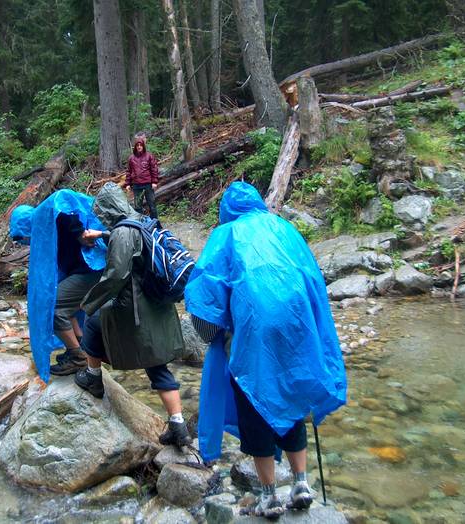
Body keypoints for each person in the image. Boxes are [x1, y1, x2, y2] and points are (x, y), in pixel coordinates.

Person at [184, 182, 347, 517]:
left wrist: (212, 334)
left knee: (255, 403)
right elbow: (311, 277)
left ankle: (269, 495)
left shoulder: (226, 234)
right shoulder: (283, 228)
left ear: (227, 210)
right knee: (291, 395)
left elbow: (205, 293)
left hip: (254, 328)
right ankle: (302, 482)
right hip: (296, 326)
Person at [74, 182, 191, 448]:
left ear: (107, 208)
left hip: (136, 307)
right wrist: (103, 234)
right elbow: (133, 241)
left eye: (102, 210)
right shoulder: (142, 220)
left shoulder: (122, 233)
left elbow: (116, 274)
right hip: (158, 303)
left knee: (93, 322)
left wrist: (89, 302)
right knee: (156, 362)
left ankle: (93, 377)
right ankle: (178, 424)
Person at [9, 190, 108, 380]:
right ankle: (80, 348)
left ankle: (77, 356)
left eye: (23, 236)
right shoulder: (48, 231)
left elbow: (63, 203)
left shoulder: (47, 216)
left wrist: (79, 234)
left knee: (53, 308)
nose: (25, 241)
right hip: (86, 272)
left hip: (90, 270)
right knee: (66, 308)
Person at [124, 135, 159, 220]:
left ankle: (156, 224)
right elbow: (129, 171)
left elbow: (154, 169)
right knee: (138, 207)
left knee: (152, 205)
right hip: (136, 185)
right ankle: (140, 226)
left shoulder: (149, 156)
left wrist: (154, 182)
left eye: (141, 145)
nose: (139, 147)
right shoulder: (131, 158)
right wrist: (127, 183)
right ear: (135, 147)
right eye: (137, 145)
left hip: (148, 184)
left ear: (143, 146)